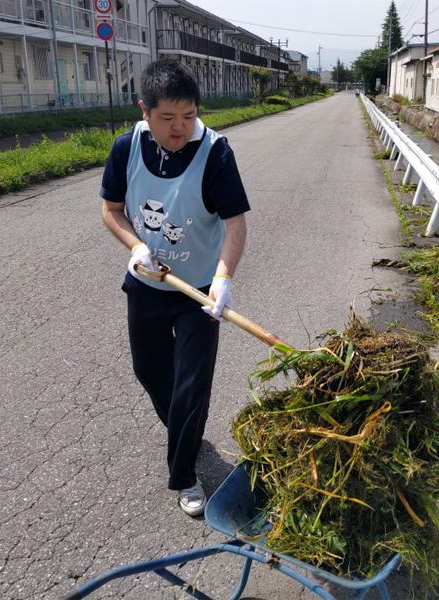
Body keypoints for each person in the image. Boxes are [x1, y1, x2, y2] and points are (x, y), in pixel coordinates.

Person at [100, 59, 249, 517]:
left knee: (190, 388)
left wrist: (223, 279)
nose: (180, 127)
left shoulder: (216, 153)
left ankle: (184, 475)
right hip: (146, 285)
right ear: (145, 110)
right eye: (167, 117)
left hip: (199, 293)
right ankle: (186, 430)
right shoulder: (126, 149)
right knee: (149, 371)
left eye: (188, 115)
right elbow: (111, 209)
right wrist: (134, 246)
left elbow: (235, 224)